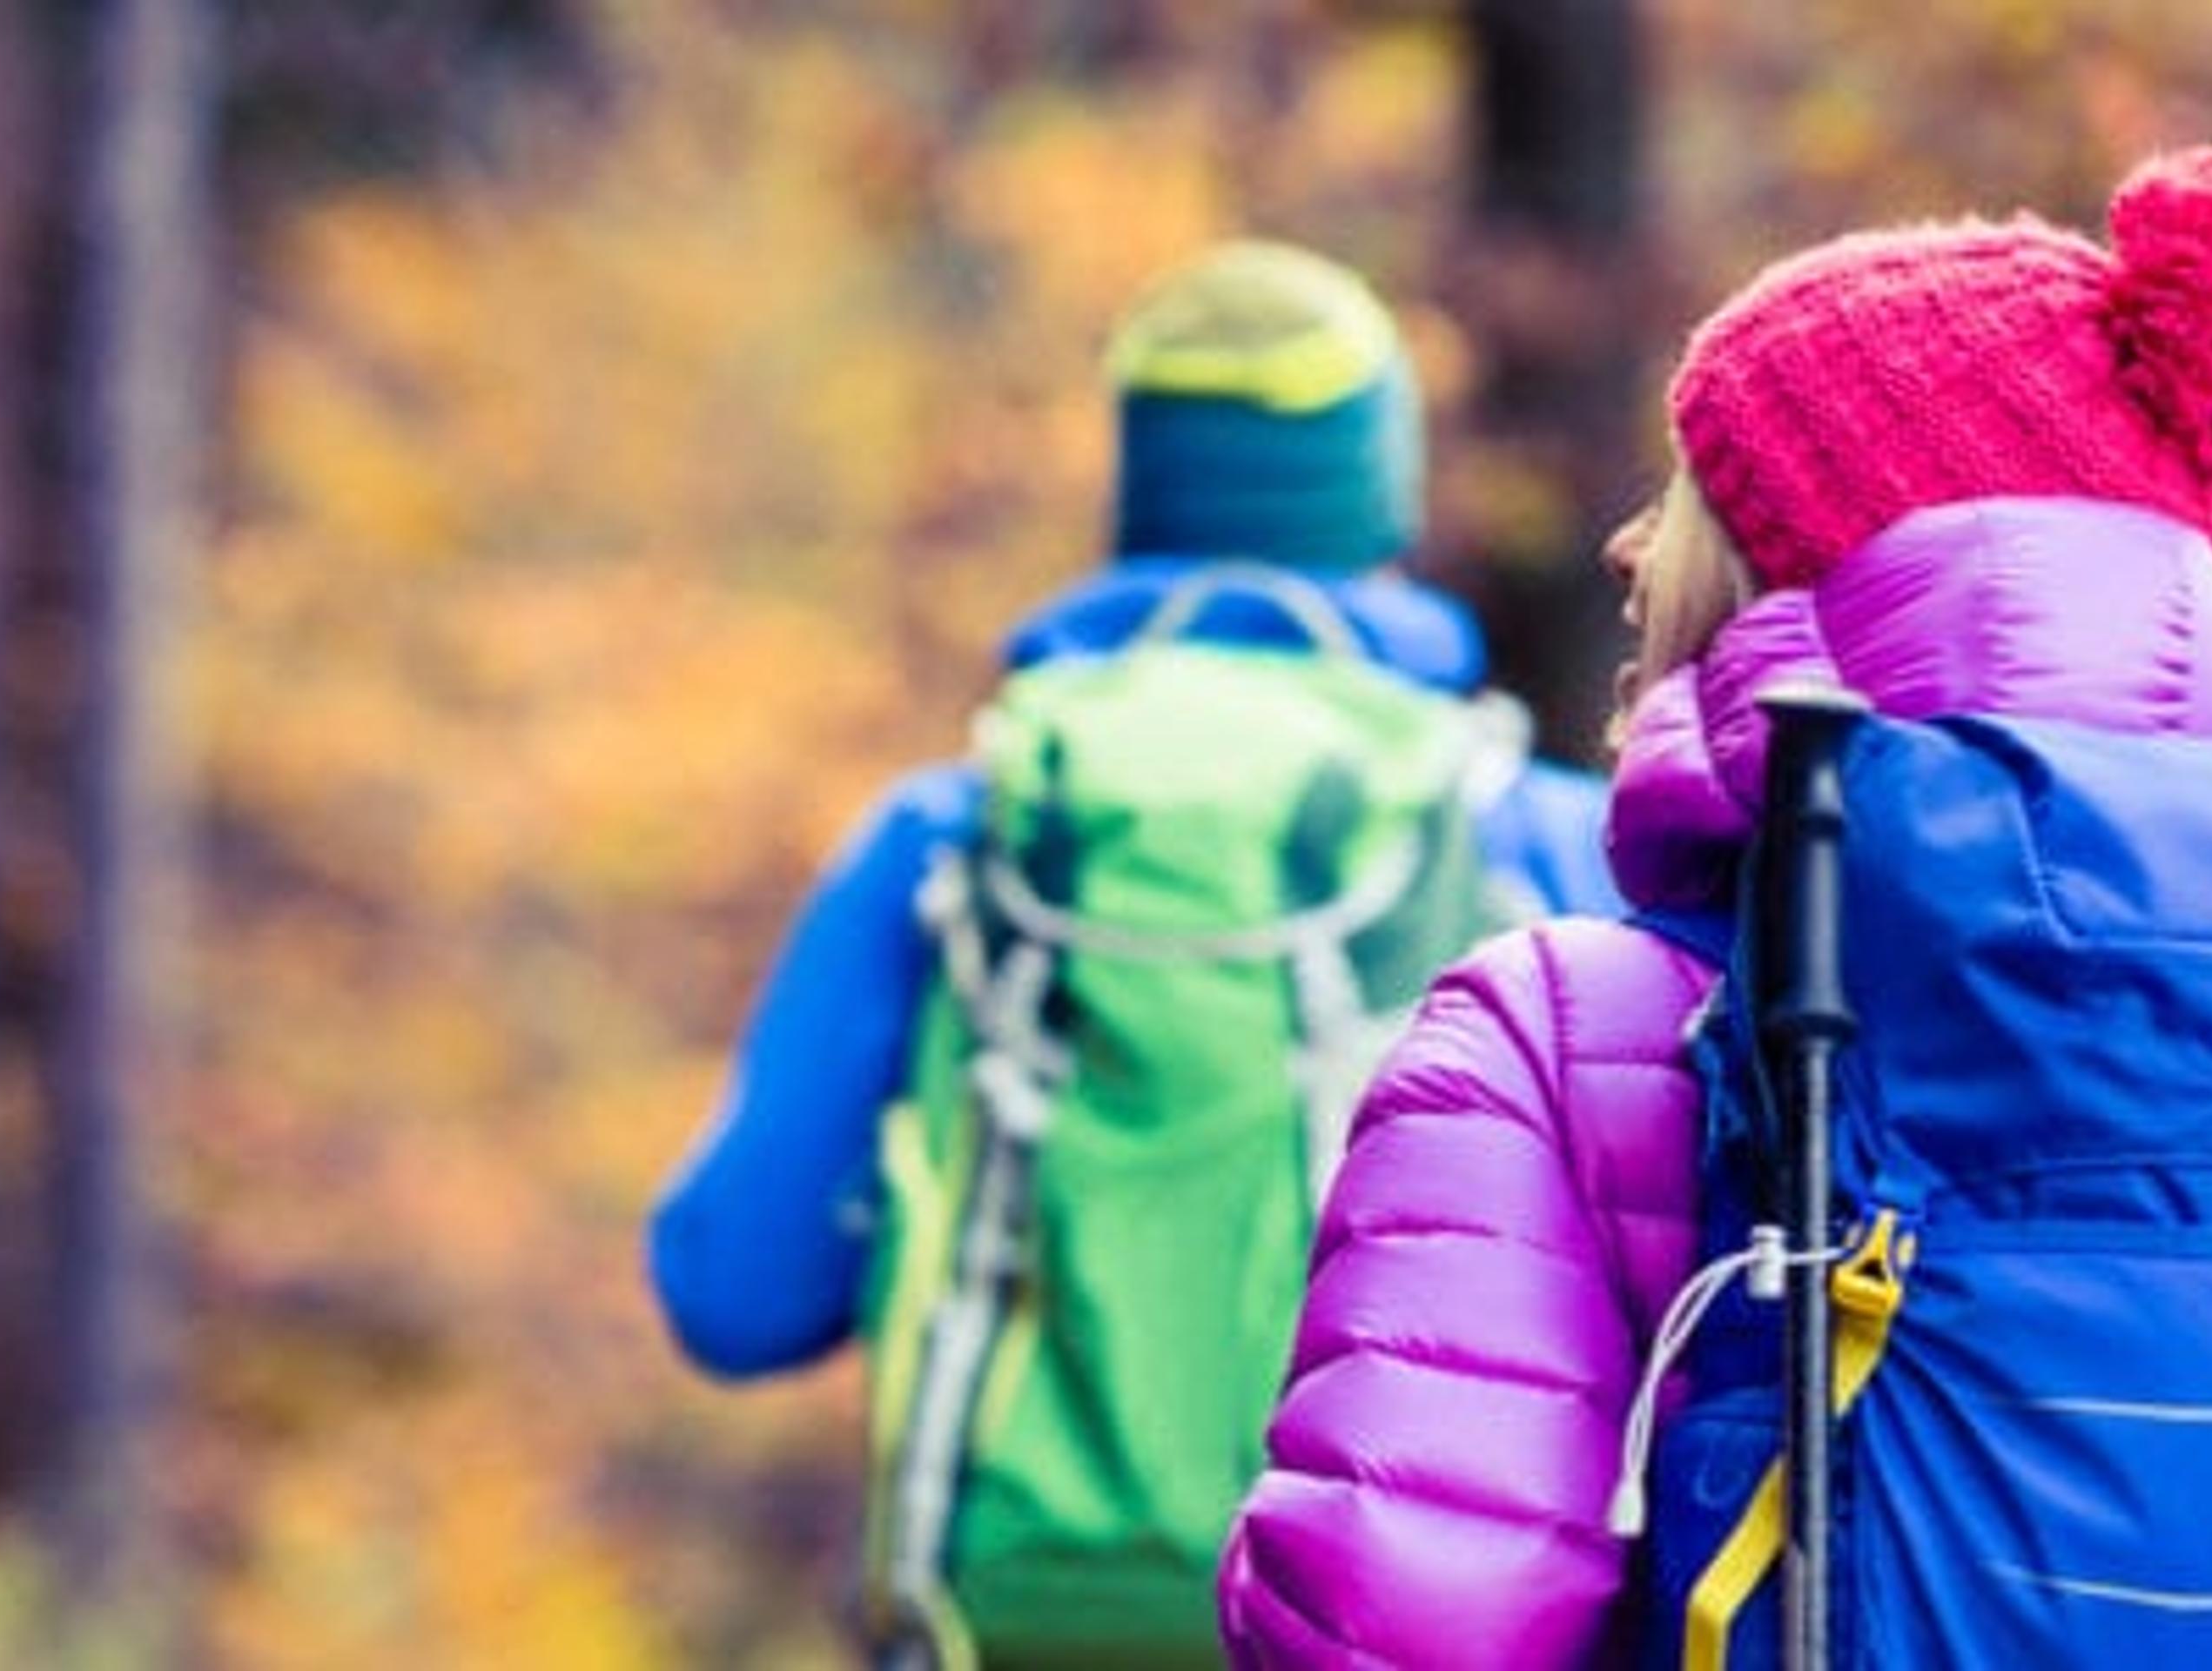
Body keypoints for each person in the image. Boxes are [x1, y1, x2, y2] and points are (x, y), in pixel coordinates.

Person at [1219, 149, 2212, 1667]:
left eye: (1695, 493)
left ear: (1785, 568)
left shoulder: (1574, 1028)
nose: (1634, 545)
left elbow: (1399, 1598)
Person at [650, 240, 1621, 1664]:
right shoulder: (1534, 839)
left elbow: (734, 1291)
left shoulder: (959, 838)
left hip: (1024, 1627)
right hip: (1406, 1622)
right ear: (1381, 500)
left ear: (1138, 493)